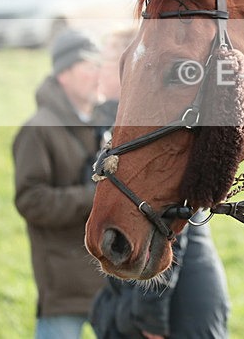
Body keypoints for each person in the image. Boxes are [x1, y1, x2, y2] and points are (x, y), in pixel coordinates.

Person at [90, 28, 231, 339]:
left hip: (179, 305)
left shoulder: (148, 128)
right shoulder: (113, 123)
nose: (98, 72)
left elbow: (170, 222)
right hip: (136, 296)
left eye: (107, 63)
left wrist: (150, 321)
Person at [13, 29, 106, 339]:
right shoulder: (36, 130)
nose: (98, 74)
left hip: (107, 277)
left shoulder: (102, 124)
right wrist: (94, 197)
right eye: (89, 66)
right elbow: (30, 200)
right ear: (64, 74)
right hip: (64, 283)